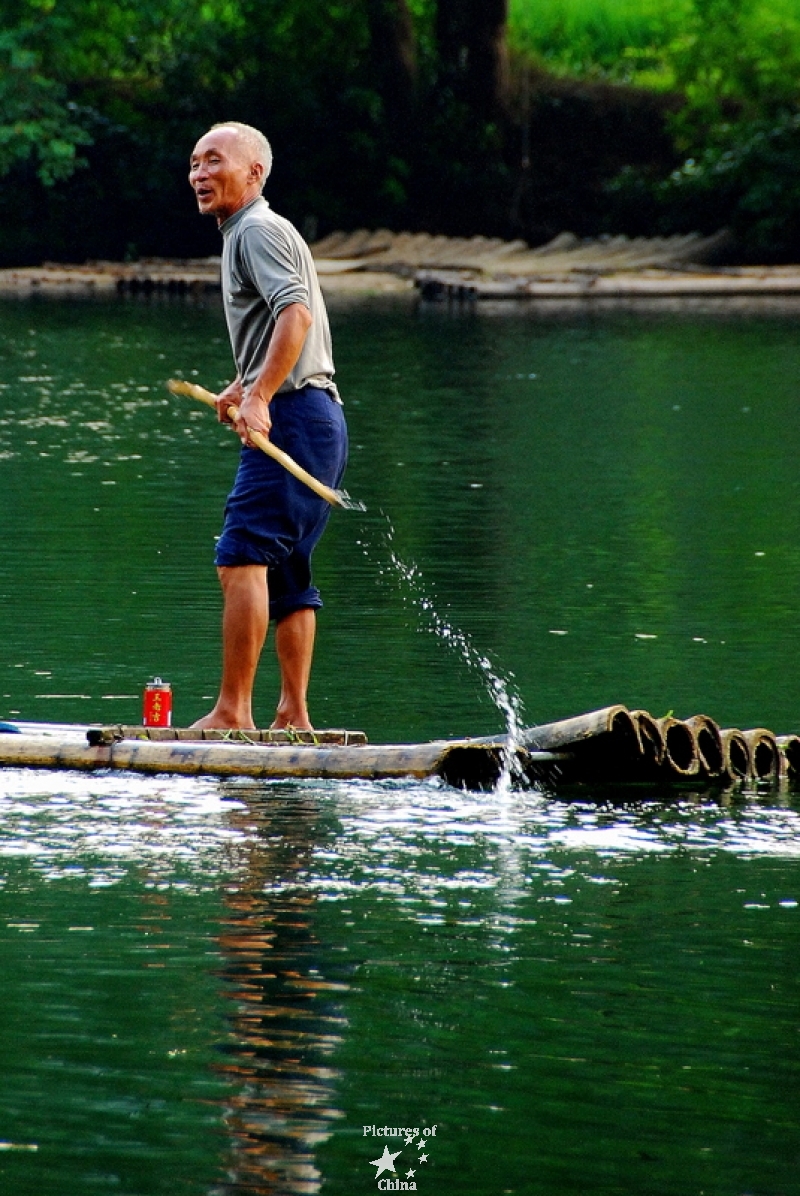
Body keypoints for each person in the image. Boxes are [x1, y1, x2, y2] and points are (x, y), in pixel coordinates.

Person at [188, 121, 348, 731]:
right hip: (317, 418)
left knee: (241, 557)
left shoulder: (254, 229)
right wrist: (245, 385)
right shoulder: (251, 232)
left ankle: (232, 713)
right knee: (288, 570)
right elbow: (284, 327)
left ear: (255, 173)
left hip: (296, 417)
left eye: (215, 162)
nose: (200, 173)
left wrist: (260, 398)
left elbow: (296, 315)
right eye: (196, 163)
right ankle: (294, 716)